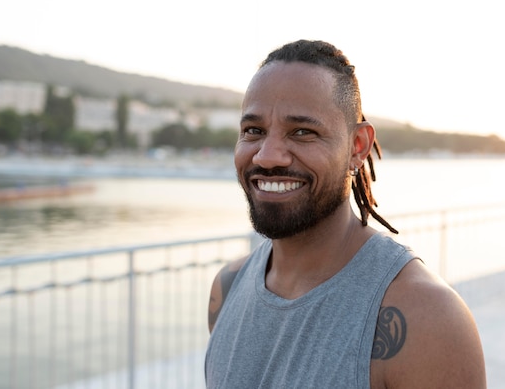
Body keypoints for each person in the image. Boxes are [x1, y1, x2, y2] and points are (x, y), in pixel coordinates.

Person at [205, 40, 486, 388]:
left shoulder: (426, 317)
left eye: (303, 132)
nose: (268, 155)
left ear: (357, 147)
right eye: (254, 131)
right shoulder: (228, 288)